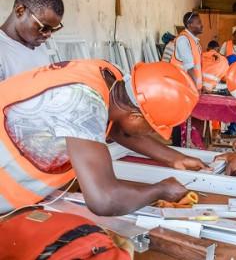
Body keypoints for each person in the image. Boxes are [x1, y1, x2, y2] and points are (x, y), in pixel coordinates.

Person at [0, 60, 206, 217]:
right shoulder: (82, 104)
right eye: (152, 128)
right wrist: (160, 190)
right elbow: (103, 199)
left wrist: (173, 158)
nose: (151, 134)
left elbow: (115, 127)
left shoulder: (111, 77)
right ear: (135, 117)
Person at [0, 0, 63, 81]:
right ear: (20, 11)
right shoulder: (3, 52)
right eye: (44, 27)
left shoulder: (38, 44)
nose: (48, 35)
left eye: (53, 29)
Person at [169, 11, 204, 91]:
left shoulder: (194, 41)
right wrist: (195, 90)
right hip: (183, 87)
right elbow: (189, 68)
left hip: (190, 87)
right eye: (199, 22)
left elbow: (197, 67)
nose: (202, 25)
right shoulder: (183, 40)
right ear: (189, 25)